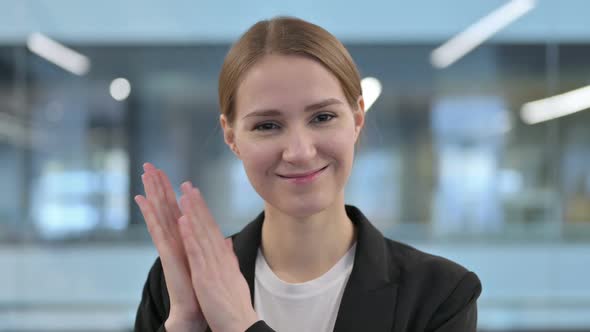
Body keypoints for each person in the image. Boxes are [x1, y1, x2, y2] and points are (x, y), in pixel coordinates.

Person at [134, 16, 482, 332]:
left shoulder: (439, 294)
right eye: (267, 125)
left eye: (322, 117)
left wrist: (242, 326)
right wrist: (186, 325)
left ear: (358, 117)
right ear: (232, 138)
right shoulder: (177, 286)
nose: (299, 151)